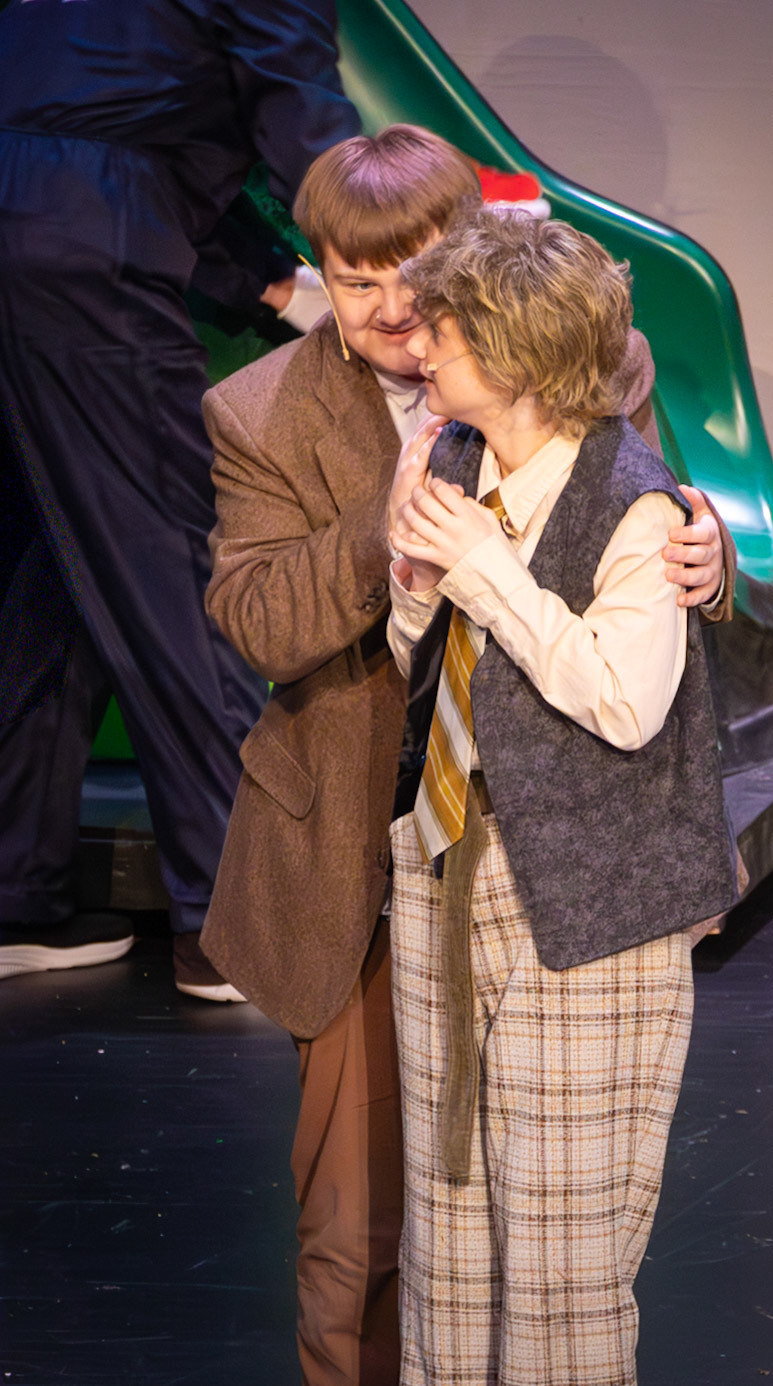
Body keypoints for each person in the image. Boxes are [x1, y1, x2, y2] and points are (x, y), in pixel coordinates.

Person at [198, 125, 734, 1385]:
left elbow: (629, 527)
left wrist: (703, 566)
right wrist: (383, 532)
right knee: (369, 1232)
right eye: (358, 277)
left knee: (548, 1236)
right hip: (360, 834)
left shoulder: (591, 352)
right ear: (319, 270)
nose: (397, 315)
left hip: (552, 853)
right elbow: (262, 621)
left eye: (418, 276)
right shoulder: (262, 409)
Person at [385, 209, 740, 1385]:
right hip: (445, 857)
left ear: (519, 355)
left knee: (563, 1268)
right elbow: (417, 661)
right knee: (446, 1241)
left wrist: (487, 577)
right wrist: (414, 592)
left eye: (442, 325)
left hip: (588, 903)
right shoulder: (449, 460)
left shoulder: (637, 505)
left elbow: (623, 704)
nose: (416, 339)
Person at [0, 0, 360, 998]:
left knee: (48, 564)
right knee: (181, 570)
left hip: (39, 222)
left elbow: (91, 128)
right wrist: (386, 267)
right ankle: (235, 920)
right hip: (81, 253)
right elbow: (300, 113)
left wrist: (277, 282)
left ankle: (12, 889)